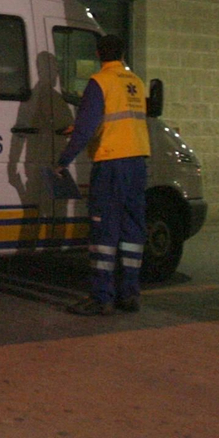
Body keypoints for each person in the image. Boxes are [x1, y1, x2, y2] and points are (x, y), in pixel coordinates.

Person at [57, 34, 151, 316]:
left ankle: (101, 297)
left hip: (111, 162)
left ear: (99, 54)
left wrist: (63, 161)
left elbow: (87, 127)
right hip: (138, 162)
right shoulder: (135, 81)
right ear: (122, 53)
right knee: (132, 228)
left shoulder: (100, 82)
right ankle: (130, 294)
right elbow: (120, 119)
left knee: (103, 230)